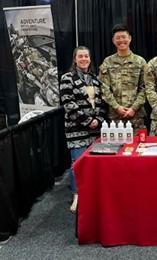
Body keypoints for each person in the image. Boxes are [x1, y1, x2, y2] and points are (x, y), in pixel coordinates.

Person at [59, 46, 106, 213]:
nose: (84, 59)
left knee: (93, 163)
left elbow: (101, 103)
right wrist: (87, 121)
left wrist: (98, 120)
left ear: (90, 59)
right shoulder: (67, 78)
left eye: (86, 56)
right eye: (80, 56)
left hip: (95, 129)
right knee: (77, 164)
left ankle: (92, 193)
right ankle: (77, 195)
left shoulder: (95, 79)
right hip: (76, 129)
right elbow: (68, 104)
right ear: (75, 59)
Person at [99, 24, 146, 134]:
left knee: (138, 149)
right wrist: (117, 107)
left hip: (136, 117)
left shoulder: (140, 62)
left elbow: (145, 88)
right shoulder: (107, 62)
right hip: (115, 117)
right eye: (118, 38)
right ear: (113, 40)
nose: (121, 40)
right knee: (116, 149)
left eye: (124, 37)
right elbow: (104, 88)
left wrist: (133, 108)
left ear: (129, 38)